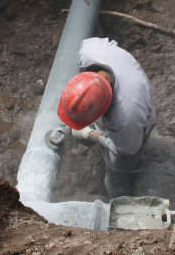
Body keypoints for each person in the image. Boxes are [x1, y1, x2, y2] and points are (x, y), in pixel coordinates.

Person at [57, 37, 156, 199]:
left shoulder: (126, 117)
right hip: (122, 113)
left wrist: (90, 134)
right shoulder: (91, 50)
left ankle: (119, 198)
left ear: (104, 109)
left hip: (134, 133)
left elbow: (125, 149)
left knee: (118, 173)